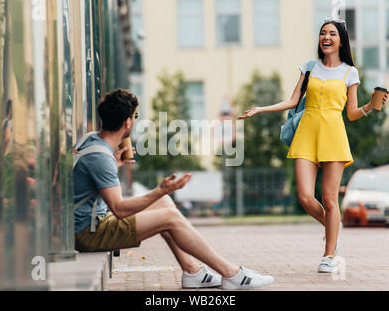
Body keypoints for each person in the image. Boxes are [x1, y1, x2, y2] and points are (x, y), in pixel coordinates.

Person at [74, 88, 274, 290]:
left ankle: (192, 271)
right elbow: (120, 209)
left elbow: (89, 182)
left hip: (89, 222)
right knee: (170, 216)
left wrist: (117, 166)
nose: (134, 121)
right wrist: (160, 189)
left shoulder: (91, 140)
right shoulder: (101, 158)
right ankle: (231, 274)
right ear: (127, 122)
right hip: (89, 232)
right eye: (135, 116)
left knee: (164, 204)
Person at [239, 19, 389, 273]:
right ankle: (333, 226)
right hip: (307, 132)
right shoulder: (309, 67)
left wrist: (369, 107)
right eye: (322, 33)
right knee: (306, 197)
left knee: (330, 199)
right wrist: (261, 109)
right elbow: (293, 100)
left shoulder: (349, 72)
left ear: (341, 40)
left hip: (333, 134)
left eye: (332, 33)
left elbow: (351, 113)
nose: (326, 37)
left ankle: (329, 255)